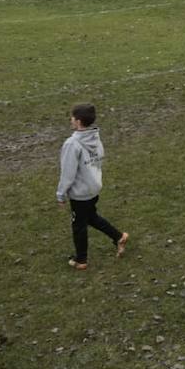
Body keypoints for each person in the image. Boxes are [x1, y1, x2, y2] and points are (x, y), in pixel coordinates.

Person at [56, 103, 128, 271]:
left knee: (79, 225)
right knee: (90, 217)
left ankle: (81, 259)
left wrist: (61, 194)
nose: (71, 119)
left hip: (81, 193)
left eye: (73, 117)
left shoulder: (72, 144)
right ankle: (119, 237)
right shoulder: (95, 137)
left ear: (79, 122)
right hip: (93, 187)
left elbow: (68, 173)